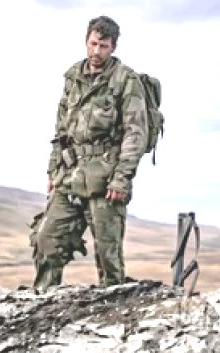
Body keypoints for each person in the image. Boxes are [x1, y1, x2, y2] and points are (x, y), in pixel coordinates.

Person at [32, 15, 148, 290]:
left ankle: (112, 305)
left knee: (108, 256)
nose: (96, 51)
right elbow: (61, 129)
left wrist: (121, 179)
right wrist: (53, 171)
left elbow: (135, 133)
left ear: (113, 47)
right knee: (46, 239)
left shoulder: (125, 80)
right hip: (70, 174)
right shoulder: (73, 77)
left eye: (103, 46)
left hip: (105, 177)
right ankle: (43, 302)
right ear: (86, 41)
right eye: (93, 44)